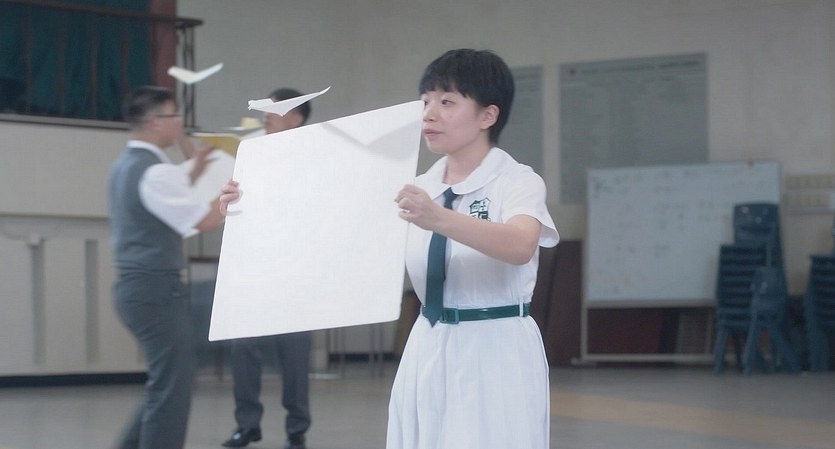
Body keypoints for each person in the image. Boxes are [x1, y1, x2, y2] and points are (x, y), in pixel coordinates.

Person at [388, 49, 559, 449]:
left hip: (495, 344)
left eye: (447, 102)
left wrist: (439, 218)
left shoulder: (517, 181)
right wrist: (252, 205)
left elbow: (520, 244)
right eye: (426, 101)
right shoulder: (418, 187)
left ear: (487, 116)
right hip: (427, 341)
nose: (429, 114)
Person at [108, 86, 225, 449]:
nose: (179, 123)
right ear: (156, 122)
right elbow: (205, 219)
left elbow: (164, 199)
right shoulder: (157, 172)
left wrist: (195, 171)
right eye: (174, 115)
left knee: (165, 384)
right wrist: (235, 192)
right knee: (173, 388)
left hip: (136, 289)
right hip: (156, 289)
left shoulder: (127, 166)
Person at [221, 88, 314, 449]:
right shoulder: (251, 154)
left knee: (294, 354)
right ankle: (247, 424)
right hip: (254, 265)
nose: (266, 114)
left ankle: (297, 430)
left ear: (297, 118)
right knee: (242, 345)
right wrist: (228, 201)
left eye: (276, 109)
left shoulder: (315, 156)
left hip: (294, 268)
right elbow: (236, 205)